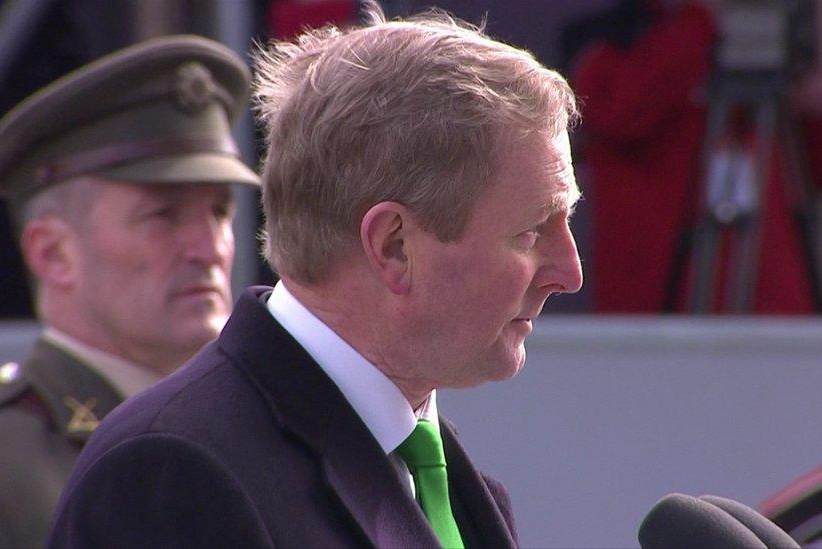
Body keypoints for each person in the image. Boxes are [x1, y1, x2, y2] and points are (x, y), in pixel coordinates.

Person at [48, 4, 582, 547]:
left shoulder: (447, 482)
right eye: (532, 232)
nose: (570, 272)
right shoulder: (173, 475)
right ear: (393, 247)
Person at [0, 35, 260, 548]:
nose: (210, 248)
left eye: (220, 211)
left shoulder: (257, 438)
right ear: (53, 253)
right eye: (163, 214)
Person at [571, 0, 822, 313]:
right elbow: (620, 112)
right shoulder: (616, 39)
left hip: (772, 306)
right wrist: (701, 24)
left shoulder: (775, 49)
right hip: (663, 311)